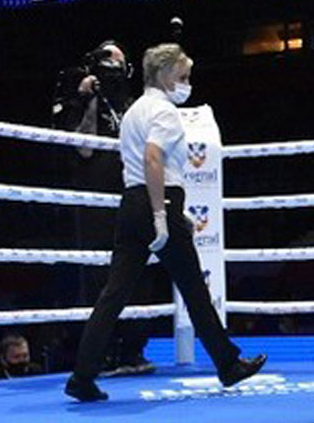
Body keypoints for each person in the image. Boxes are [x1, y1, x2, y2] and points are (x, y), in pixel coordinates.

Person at [65, 43, 266, 402]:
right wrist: (162, 214)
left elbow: (146, 167)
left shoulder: (133, 112)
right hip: (158, 203)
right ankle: (228, 364)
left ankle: (81, 377)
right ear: (164, 74)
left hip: (132, 204)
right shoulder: (165, 112)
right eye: (183, 76)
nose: (187, 83)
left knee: (113, 295)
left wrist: (172, 210)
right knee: (193, 288)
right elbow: (153, 159)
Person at [52, 40, 153, 377]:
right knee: (98, 276)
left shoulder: (132, 102)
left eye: (120, 63)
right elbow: (82, 149)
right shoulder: (75, 96)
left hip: (131, 195)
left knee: (138, 272)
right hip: (93, 202)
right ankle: (104, 353)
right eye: (109, 63)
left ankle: (133, 350)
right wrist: (89, 98)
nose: (115, 69)